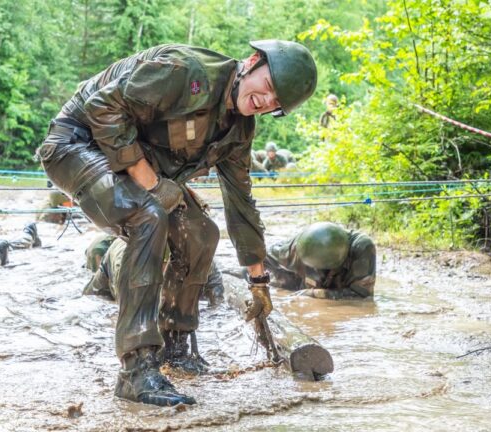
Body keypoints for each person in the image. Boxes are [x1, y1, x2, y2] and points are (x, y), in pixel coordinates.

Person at [36, 39, 316, 406]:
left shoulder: (239, 130)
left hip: (137, 161)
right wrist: (153, 185)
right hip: (78, 142)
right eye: (268, 88)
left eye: (276, 104)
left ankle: (175, 345)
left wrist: (259, 281)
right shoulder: (186, 72)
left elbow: (241, 203)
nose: (265, 102)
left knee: (202, 233)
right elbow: (101, 107)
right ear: (252, 62)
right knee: (147, 217)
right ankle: (136, 370)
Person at [84, 236, 224, 307]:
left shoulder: (202, 259)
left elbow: (217, 302)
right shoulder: (128, 266)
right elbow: (94, 298)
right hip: (113, 258)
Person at [264, 222, 376, 299]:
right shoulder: (295, 248)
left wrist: (317, 294)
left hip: (343, 284)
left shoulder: (362, 249)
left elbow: (363, 295)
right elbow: (262, 258)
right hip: (303, 281)